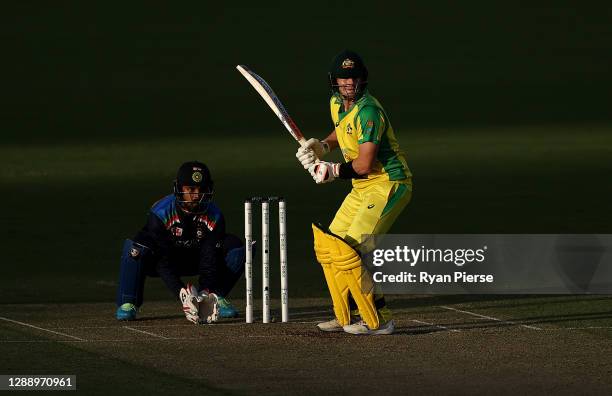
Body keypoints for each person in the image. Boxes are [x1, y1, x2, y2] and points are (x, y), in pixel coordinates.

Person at [296, 50, 413, 335]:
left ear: (362, 80)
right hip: (362, 188)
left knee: (353, 251)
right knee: (333, 248)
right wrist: (322, 146)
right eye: (343, 78)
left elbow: (364, 164)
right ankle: (345, 315)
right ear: (334, 81)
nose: (348, 83)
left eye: (353, 78)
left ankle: (380, 320)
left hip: (388, 184)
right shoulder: (337, 103)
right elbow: (342, 131)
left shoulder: (370, 111)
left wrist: (331, 171)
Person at [115, 161, 246, 323]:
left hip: (196, 258)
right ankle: (128, 302)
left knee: (236, 247)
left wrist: (204, 292)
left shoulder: (215, 215)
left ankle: (214, 297)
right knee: (136, 248)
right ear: (179, 188)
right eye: (190, 189)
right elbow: (162, 260)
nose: (197, 195)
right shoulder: (161, 212)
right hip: (164, 259)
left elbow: (209, 256)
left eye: (201, 189)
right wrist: (181, 292)